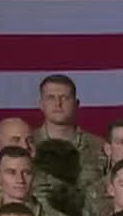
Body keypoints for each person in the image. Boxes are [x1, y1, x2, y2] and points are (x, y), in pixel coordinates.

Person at [33, 73, 106, 205]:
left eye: (65, 98)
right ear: (41, 104)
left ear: (76, 103)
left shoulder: (99, 146)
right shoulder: (28, 144)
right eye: (51, 98)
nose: (58, 104)